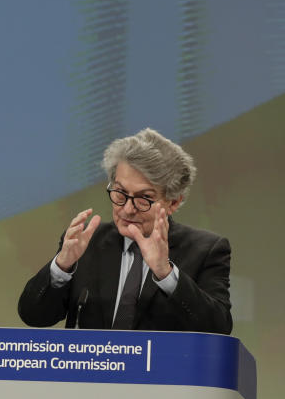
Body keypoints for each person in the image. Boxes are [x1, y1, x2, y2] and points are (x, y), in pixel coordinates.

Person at [17, 128, 232, 334]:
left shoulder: (206, 250)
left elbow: (218, 328)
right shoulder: (86, 242)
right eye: (120, 193)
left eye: (144, 198)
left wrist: (165, 273)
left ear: (173, 202)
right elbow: (33, 316)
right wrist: (61, 267)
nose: (128, 209)